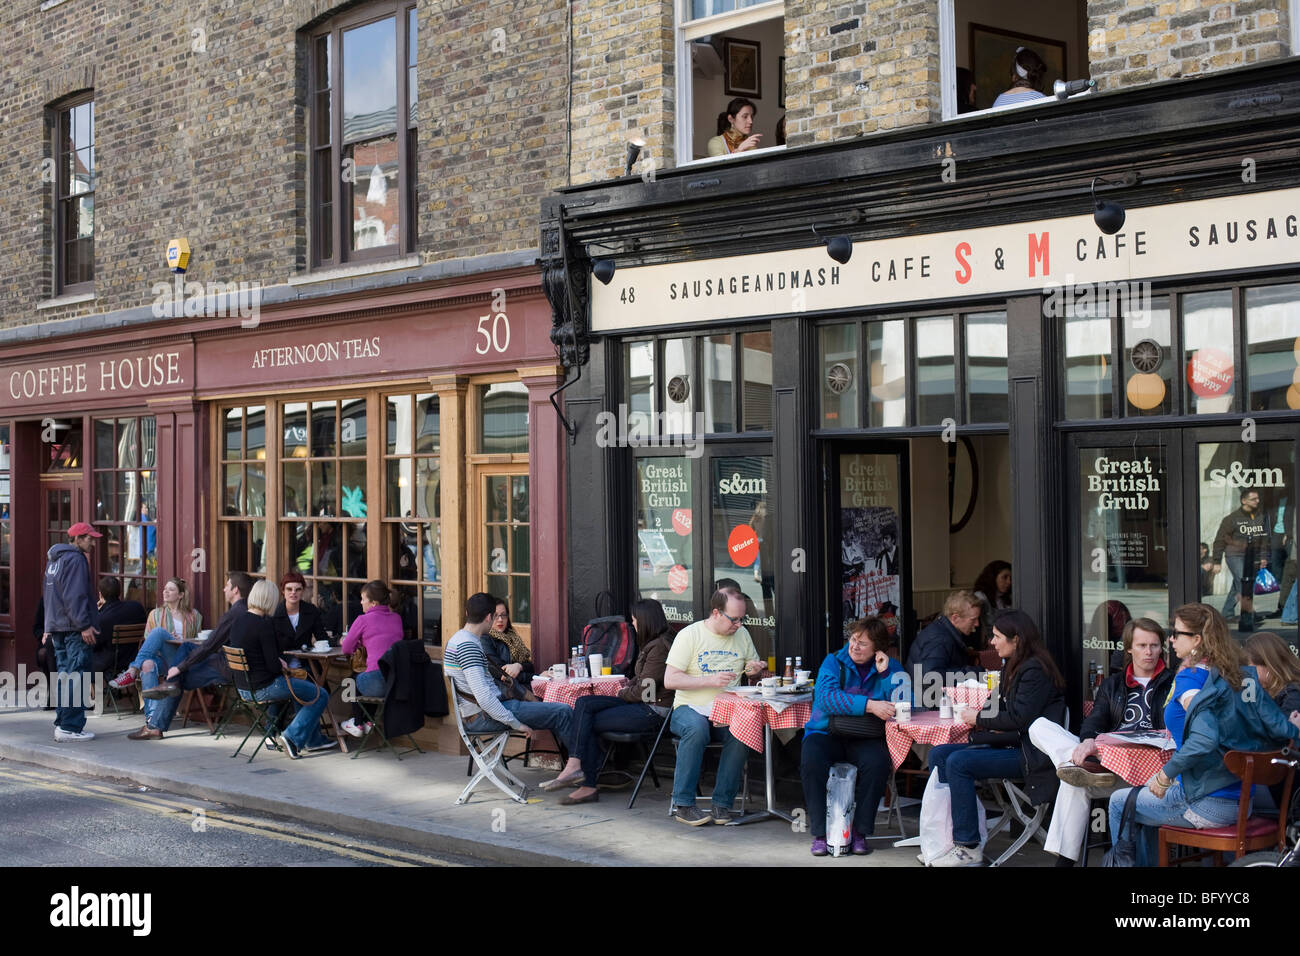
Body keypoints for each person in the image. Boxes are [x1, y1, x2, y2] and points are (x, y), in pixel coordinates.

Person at [1107, 603, 1300, 867]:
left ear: (1197, 639)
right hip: (1243, 800)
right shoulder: (1240, 675)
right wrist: (1293, 730)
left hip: (1206, 802)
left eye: (1177, 633)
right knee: (1144, 801)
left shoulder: (1191, 678)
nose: (1171, 639)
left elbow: (1204, 738)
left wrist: (1166, 774)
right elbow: (1274, 728)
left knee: (1120, 801)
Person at [924, 609, 1067, 866]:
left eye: (998, 636)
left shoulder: (1035, 670)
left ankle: (968, 847)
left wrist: (977, 719)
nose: (992, 642)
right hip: (1012, 743)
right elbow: (1000, 711)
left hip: (1030, 754)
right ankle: (945, 840)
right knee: (939, 754)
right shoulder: (1014, 666)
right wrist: (975, 711)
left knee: (958, 762)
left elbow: (1017, 719)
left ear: (1017, 640)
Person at [1028, 617, 1174, 865]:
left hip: (1155, 777)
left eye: (1155, 645)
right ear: (1128, 648)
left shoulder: (1173, 682)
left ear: (1162, 648)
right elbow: (1095, 720)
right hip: (1114, 771)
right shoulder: (1113, 684)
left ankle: (1063, 864)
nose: (1149, 652)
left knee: (1073, 782)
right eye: (1141, 646)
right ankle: (1080, 764)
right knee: (1038, 726)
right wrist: (1086, 741)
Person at [444, 592, 584, 790]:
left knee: (561, 710)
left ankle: (579, 769)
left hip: (483, 712)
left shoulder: (458, 639)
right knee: (563, 711)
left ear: (467, 613)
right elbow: (484, 698)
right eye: (495, 616)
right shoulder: (468, 646)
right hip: (485, 715)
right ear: (488, 617)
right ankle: (581, 770)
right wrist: (517, 724)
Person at [801, 617, 909, 857]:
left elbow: (904, 703)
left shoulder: (891, 667)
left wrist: (885, 675)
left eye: (862, 643)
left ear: (878, 649)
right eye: (853, 640)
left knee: (878, 763)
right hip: (826, 732)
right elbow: (826, 699)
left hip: (866, 736)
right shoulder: (833, 662)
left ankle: (860, 833)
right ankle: (820, 834)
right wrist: (870, 705)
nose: (854, 647)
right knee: (811, 760)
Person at [560, 598, 676, 806]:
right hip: (642, 704)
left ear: (646, 620)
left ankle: (586, 782)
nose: (633, 624)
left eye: (635, 620)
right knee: (585, 703)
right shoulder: (653, 643)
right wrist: (627, 686)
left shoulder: (659, 648)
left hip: (653, 711)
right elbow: (642, 680)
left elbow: (645, 691)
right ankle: (576, 766)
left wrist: (622, 692)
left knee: (588, 723)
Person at [664, 586, 764, 826]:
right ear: (717, 613)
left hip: (727, 711)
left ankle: (722, 805)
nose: (739, 624)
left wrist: (753, 670)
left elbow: (750, 669)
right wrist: (708, 680)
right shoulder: (690, 635)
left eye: (742, 619)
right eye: (734, 619)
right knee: (697, 729)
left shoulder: (742, 635)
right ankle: (684, 804)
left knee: (742, 732)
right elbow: (670, 680)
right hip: (689, 708)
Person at [228, 579, 337, 758]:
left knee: (304, 689)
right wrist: (281, 664)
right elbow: (272, 667)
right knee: (320, 695)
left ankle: (311, 739)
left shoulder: (238, 620)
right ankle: (292, 737)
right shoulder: (264, 625)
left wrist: (277, 662)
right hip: (265, 687)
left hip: (243, 689)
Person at [42, 522, 102, 742]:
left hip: (58, 627)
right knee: (78, 676)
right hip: (74, 628)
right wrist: (84, 625)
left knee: (65, 675)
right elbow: (75, 596)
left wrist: (49, 627)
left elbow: (49, 596)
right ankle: (71, 727)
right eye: (89, 538)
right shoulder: (76, 559)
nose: (92, 542)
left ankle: (62, 723)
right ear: (77, 539)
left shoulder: (54, 561)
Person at [337, 580, 405, 738]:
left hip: (378, 683)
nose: (360, 602)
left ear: (373, 603)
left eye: (363, 599)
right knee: (365, 678)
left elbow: (347, 648)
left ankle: (358, 724)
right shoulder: (396, 618)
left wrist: (349, 642)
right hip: (397, 683)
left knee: (352, 681)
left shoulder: (363, 620)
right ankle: (368, 722)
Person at [1242, 631, 1300, 816]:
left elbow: (1279, 739)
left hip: (1280, 783)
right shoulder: (1268, 693)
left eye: (1250, 668)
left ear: (1268, 666)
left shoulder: (1292, 695)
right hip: (1272, 777)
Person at [1209, 489, 1271, 631]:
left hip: (1252, 556)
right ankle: (1249, 613)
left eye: (1258, 498)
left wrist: (1263, 557)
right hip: (1234, 555)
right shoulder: (1231, 519)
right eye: (1253, 499)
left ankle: (1227, 613)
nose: (1258, 501)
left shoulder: (1260, 517)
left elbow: (1264, 539)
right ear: (1244, 501)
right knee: (1243, 582)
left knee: (1238, 584)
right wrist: (1217, 561)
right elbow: (1219, 540)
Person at [905, 590, 981, 682]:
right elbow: (932, 677)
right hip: (924, 694)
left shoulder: (942, 628)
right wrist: (974, 673)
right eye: (973, 619)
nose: (977, 624)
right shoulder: (940, 640)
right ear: (955, 618)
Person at [480, 599, 536, 702]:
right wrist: (536, 677)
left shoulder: (512, 637)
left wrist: (518, 666)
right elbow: (503, 674)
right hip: (504, 697)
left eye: (503, 615)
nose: (500, 619)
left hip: (520, 689)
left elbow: (530, 666)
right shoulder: (485, 639)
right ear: (488, 617)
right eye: (496, 615)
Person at [91, 577, 146, 677]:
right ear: (119, 592)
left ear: (100, 595)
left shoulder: (103, 618)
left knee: (84, 658)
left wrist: (97, 612)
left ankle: (98, 692)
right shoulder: (137, 608)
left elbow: (94, 645)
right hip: (134, 658)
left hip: (112, 664)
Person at [272, 569, 328, 652]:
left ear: (303, 590)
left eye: (298, 589)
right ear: (283, 591)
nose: (293, 592)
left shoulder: (311, 610)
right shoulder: (274, 613)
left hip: (307, 661)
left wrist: (340, 641)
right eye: (289, 589)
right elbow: (270, 646)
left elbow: (322, 638)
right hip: (282, 662)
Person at [972, 560, 1012, 648]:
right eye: (1004, 577)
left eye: (1010, 578)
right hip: (990, 644)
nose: (1009, 582)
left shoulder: (1007, 597)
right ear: (993, 578)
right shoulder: (981, 597)